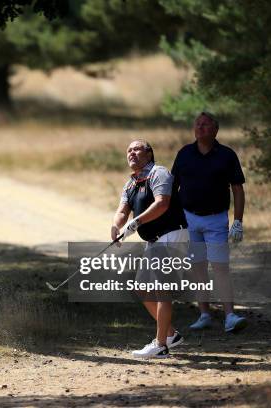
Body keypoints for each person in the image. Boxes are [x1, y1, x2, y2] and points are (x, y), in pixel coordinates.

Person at [171, 111, 248, 333]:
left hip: (216, 219)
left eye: (205, 125)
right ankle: (204, 314)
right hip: (189, 218)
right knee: (198, 268)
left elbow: (237, 189)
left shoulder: (226, 155)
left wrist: (238, 221)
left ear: (215, 130)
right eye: (197, 124)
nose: (200, 128)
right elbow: (172, 188)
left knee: (220, 267)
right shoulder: (184, 154)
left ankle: (230, 316)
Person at [112, 139, 188, 359]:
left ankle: (161, 344)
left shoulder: (159, 173)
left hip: (172, 234)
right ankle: (171, 334)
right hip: (155, 240)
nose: (132, 153)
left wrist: (136, 223)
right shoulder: (131, 184)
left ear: (149, 153)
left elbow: (162, 203)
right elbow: (122, 211)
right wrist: (116, 226)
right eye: (129, 150)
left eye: (137, 149)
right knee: (142, 288)